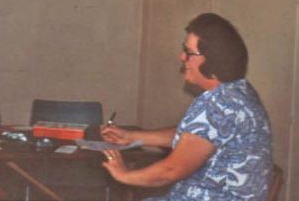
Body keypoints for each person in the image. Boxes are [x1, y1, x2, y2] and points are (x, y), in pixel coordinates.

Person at [100, 13, 272, 201]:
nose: (182, 57)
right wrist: (133, 137)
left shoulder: (217, 103)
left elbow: (170, 171)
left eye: (188, 52)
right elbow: (194, 138)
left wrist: (124, 175)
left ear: (210, 58)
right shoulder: (239, 89)